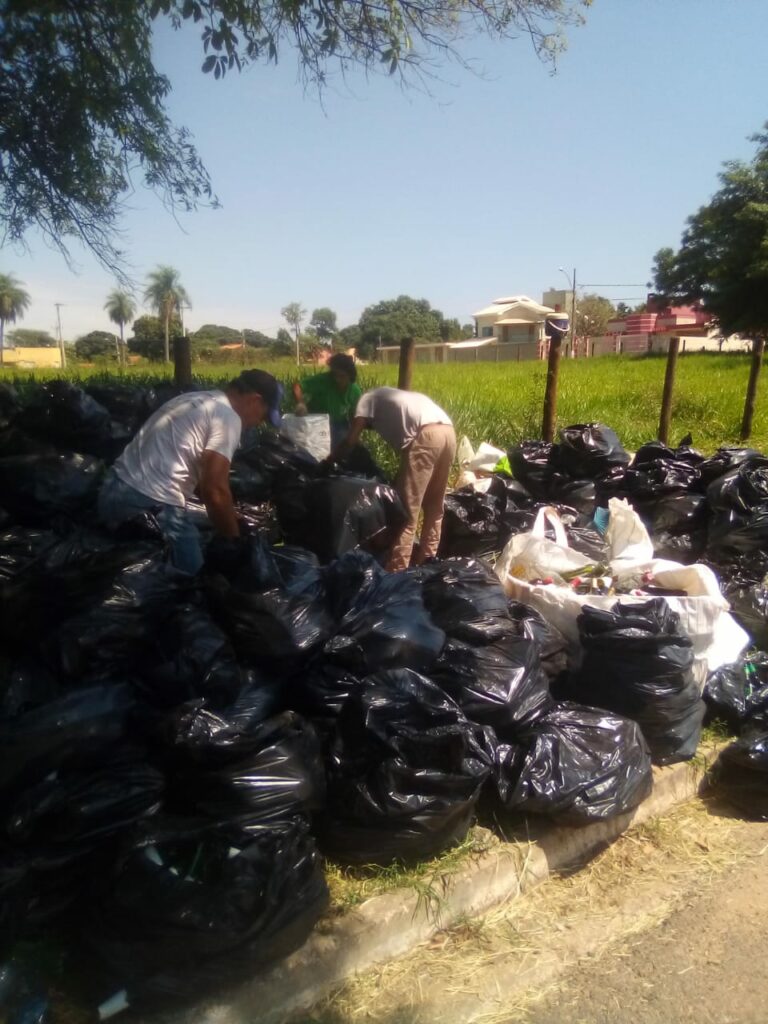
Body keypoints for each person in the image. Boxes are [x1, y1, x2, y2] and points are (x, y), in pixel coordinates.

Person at [98, 369, 282, 574]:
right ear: (255, 401)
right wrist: (234, 541)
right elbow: (214, 491)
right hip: (148, 502)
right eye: (263, 417)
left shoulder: (194, 399)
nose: (258, 423)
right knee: (193, 578)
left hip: (112, 492)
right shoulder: (227, 417)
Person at [331, 386, 456, 572]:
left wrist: (329, 461)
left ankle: (397, 573)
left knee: (406, 513)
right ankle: (427, 566)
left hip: (426, 436)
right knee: (434, 508)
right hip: (448, 432)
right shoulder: (389, 397)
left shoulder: (365, 400)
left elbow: (351, 440)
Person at [292, 353, 362, 449]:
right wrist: (300, 403)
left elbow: (352, 417)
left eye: (342, 376)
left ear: (350, 375)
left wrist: (354, 436)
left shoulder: (355, 391)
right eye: (335, 375)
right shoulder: (323, 380)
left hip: (338, 425)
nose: (337, 380)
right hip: (316, 422)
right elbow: (298, 387)